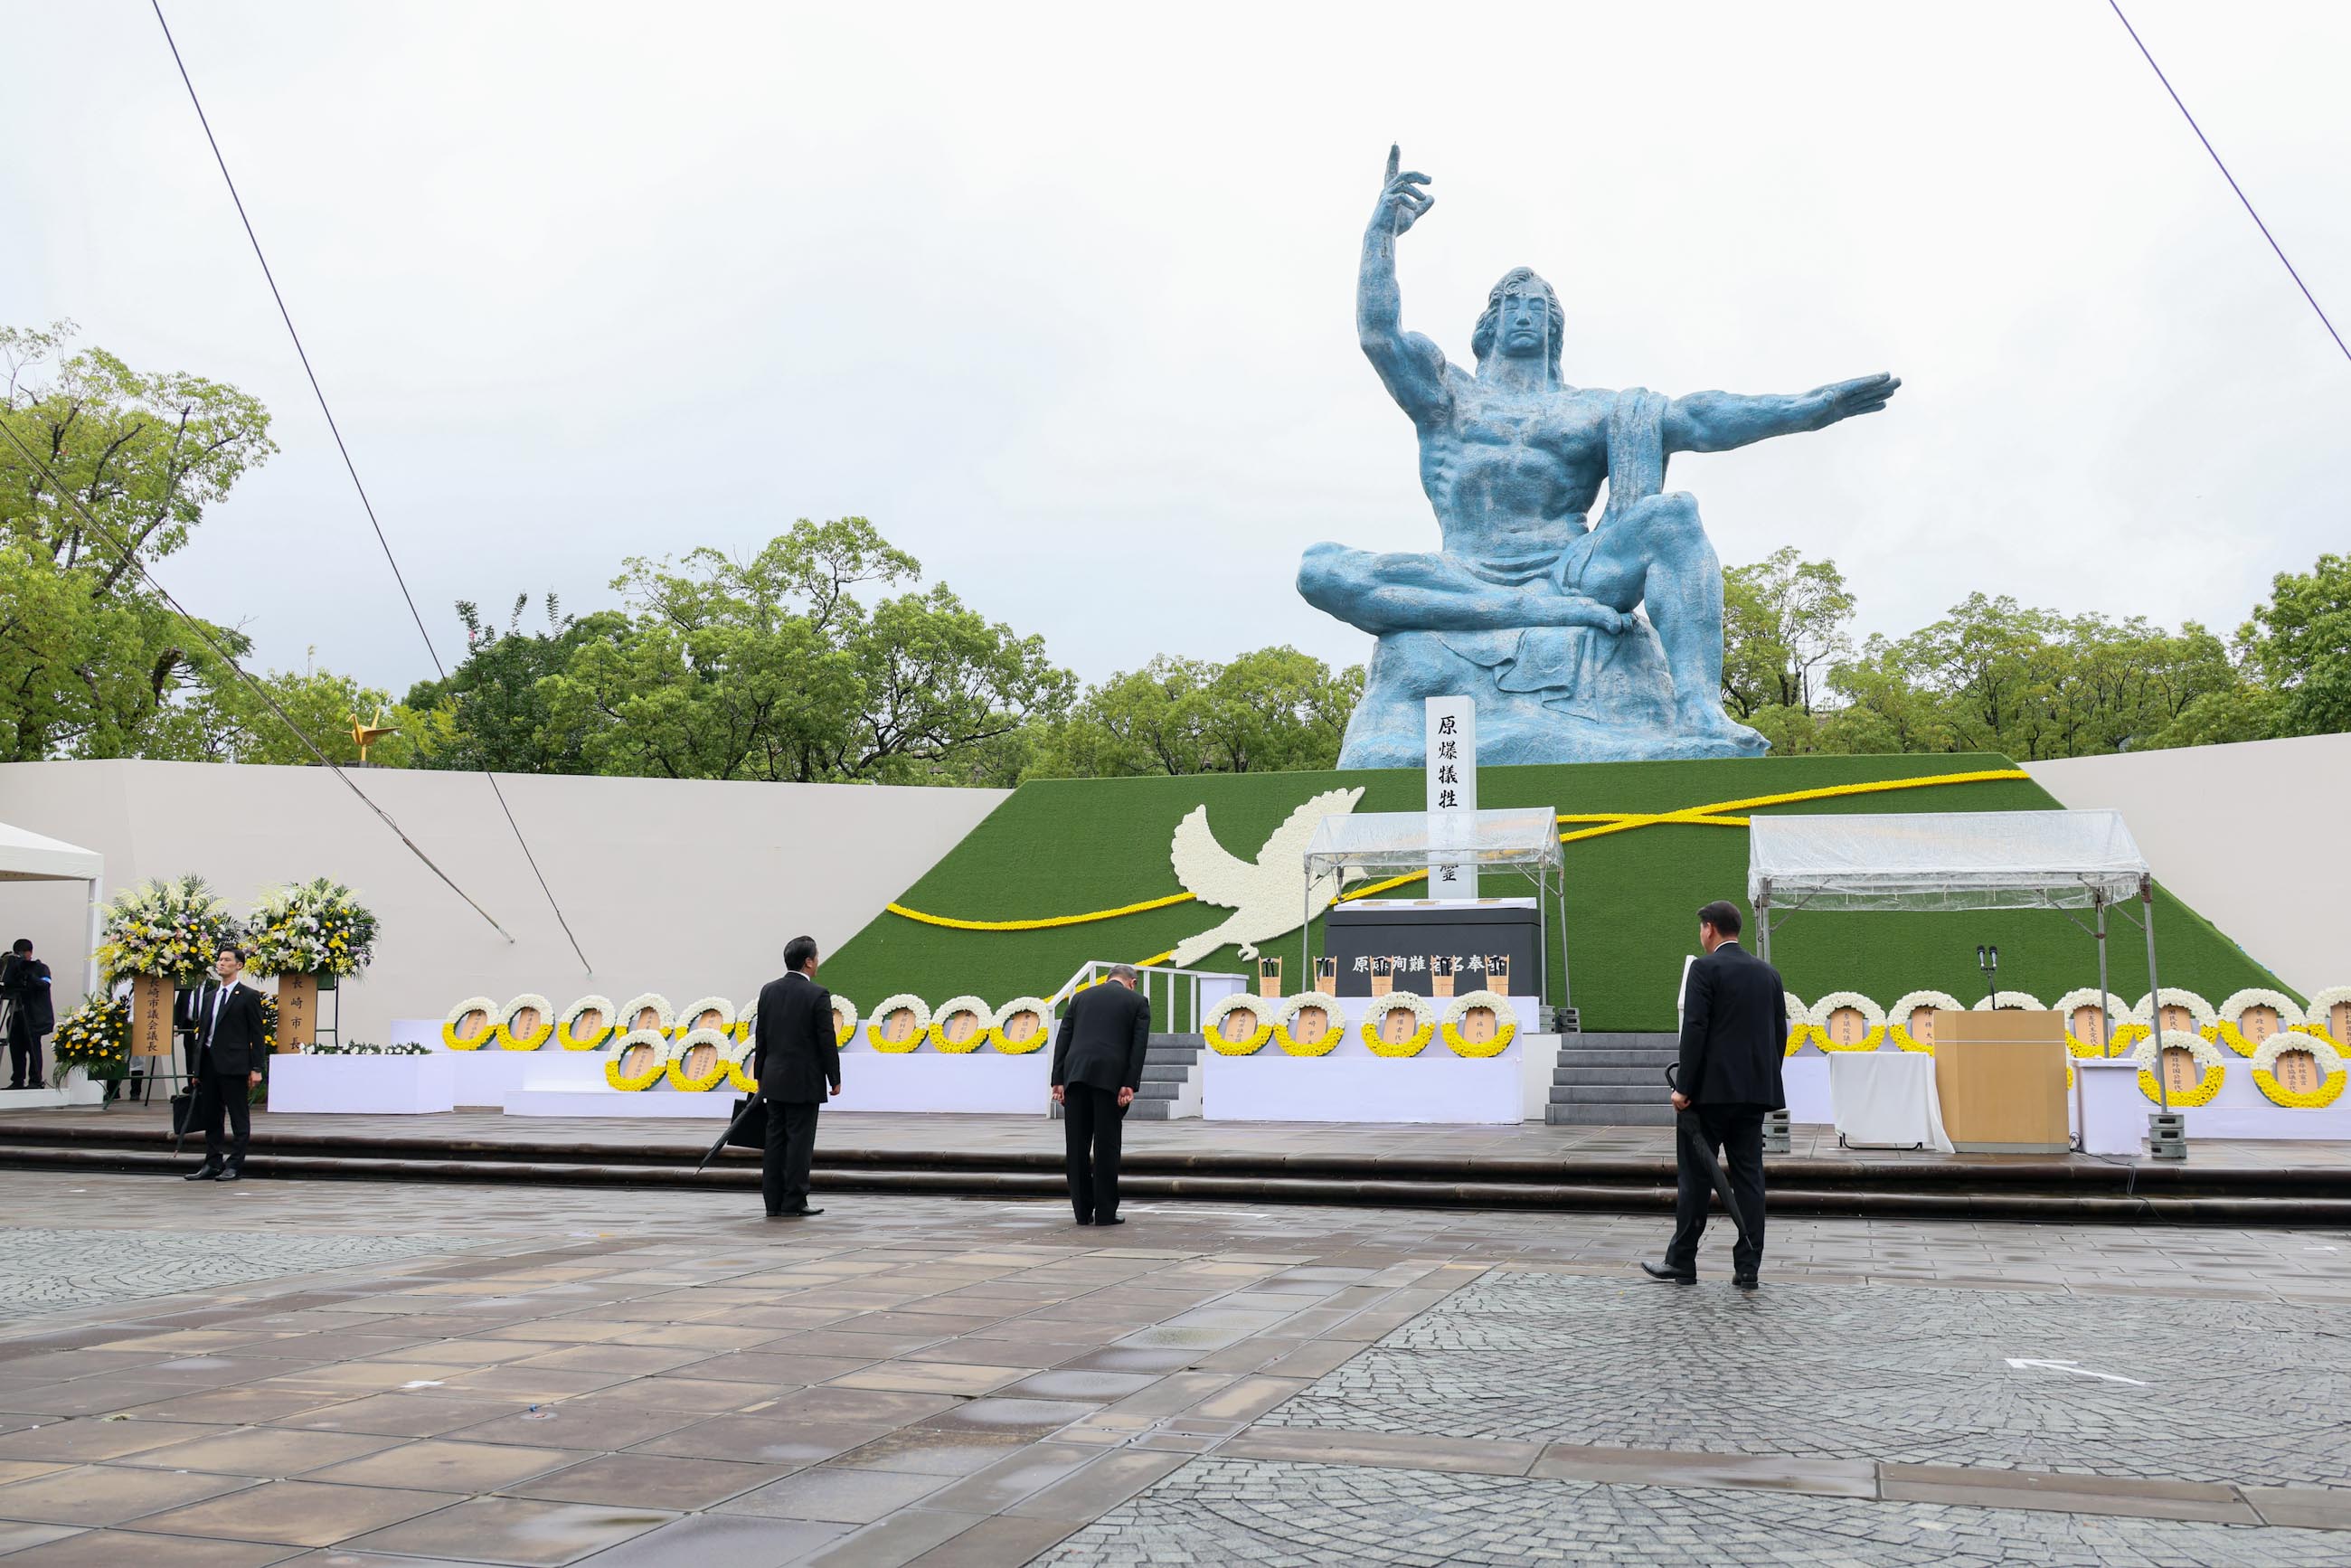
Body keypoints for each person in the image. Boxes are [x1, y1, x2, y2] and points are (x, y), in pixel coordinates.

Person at [1643, 901, 1786, 1289]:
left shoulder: (1703, 970)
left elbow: (1695, 1030)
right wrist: (1763, 1080)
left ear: (1709, 928)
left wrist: (1683, 1088)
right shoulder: (1768, 974)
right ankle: (1748, 1267)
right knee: (1750, 1180)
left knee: (1694, 1179)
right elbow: (1779, 1035)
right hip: (1753, 1096)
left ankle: (1682, 1262)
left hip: (1706, 1098)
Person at [1050, 963, 1150, 1226]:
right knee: (1106, 1147)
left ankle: (1082, 1212)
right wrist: (1129, 1083)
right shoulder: (1137, 1001)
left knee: (1076, 1146)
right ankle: (1106, 1212)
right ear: (1132, 982)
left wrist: (1058, 1080)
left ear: (1108, 979)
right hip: (1110, 1079)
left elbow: (1064, 1039)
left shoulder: (1080, 998)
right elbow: (1138, 1046)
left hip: (1076, 1076)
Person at [750, 935, 841, 1218]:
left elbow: (761, 1037)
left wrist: (760, 1074)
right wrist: (834, 1077)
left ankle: (773, 1201)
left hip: (773, 1080)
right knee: (799, 1142)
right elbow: (826, 1039)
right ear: (808, 961)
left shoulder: (769, 991)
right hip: (804, 1081)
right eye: (817, 957)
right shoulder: (817, 995)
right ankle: (794, 1200)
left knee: (774, 1140)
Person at [184, 945, 268, 1182]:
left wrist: (256, 1068)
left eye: (227, 960)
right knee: (211, 1115)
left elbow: (257, 1035)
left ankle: (235, 1164)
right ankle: (212, 1162)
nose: (221, 963)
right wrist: (197, 1069)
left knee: (238, 1116)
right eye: (219, 960)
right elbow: (203, 1035)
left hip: (234, 1065)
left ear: (238, 966)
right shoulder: (210, 996)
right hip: (209, 1066)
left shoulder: (248, 996)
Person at [1, 939, 52, 1091]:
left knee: (33, 1047)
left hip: (33, 1016)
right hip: (16, 1015)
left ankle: (35, 1080)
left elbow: (45, 984)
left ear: (30, 953)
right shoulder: (13, 968)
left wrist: (29, 976)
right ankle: (17, 1080)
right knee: (16, 1049)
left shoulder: (40, 968)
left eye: (23, 954)